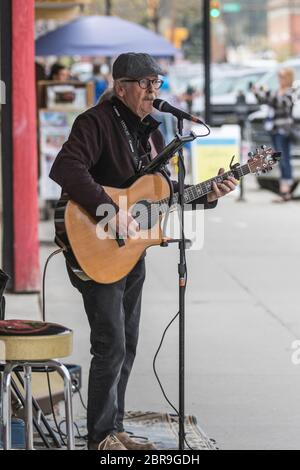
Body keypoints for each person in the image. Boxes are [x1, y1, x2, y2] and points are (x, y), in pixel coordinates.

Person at [49, 52, 238, 451]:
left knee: (129, 340)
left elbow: (161, 197)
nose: (154, 91)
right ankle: (99, 439)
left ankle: (113, 429)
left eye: (158, 84)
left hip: (131, 250)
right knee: (111, 342)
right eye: (145, 83)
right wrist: (109, 211)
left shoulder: (151, 132)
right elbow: (66, 169)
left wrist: (210, 193)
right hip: (94, 245)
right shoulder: (95, 122)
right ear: (121, 87)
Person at [253, 67, 295, 202]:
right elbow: (263, 99)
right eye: (279, 77)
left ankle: (285, 190)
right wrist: (257, 92)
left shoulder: (291, 92)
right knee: (280, 158)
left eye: (282, 77)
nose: (280, 80)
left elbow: (282, 103)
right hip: (274, 130)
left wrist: (269, 94)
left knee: (284, 159)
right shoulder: (277, 92)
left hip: (284, 131)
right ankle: (285, 190)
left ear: (288, 78)